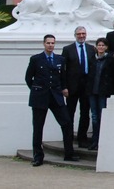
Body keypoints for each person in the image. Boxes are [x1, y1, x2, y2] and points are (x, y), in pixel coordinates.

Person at [26, 34, 79, 166]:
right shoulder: (36, 59)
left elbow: (63, 77)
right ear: (44, 44)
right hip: (40, 97)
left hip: (56, 96)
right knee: (38, 128)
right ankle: (38, 156)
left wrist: (63, 88)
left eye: (52, 43)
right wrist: (36, 89)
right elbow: (28, 78)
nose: (50, 45)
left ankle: (69, 153)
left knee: (67, 123)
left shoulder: (60, 59)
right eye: (48, 43)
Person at [61, 26, 95, 148]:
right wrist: (64, 87)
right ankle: (68, 138)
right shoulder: (67, 49)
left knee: (85, 113)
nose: (81, 36)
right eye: (79, 34)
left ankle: (82, 138)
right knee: (70, 113)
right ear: (75, 35)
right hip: (72, 87)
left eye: (83, 33)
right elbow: (63, 70)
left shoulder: (91, 49)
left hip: (86, 86)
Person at [87, 37, 114, 150]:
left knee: (102, 115)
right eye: (99, 45)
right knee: (94, 116)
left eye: (103, 45)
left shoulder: (110, 60)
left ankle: (101, 140)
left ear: (106, 47)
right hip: (93, 91)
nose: (101, 47)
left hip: (104, 91)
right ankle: (94, 140)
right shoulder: (92, 59)